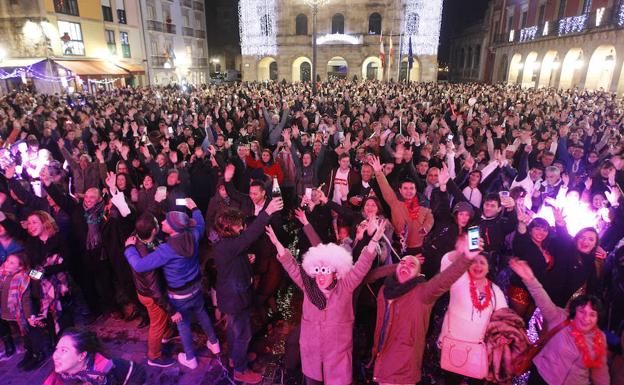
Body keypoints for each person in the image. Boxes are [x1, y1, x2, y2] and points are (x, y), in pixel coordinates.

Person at [265, 218, 386, 385]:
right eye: (318, 271)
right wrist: (278, 245)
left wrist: (373, 241)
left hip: (337, 354)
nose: (321, 276)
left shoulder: (346, 286)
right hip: (312, 353)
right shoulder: (309, 286)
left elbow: (362, 266)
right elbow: (291, 266)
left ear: (335, 272)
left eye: (326, 271)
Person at [370, 235, 481, 385]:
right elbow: (370, 277)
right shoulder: (384, 291)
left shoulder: (422, 292)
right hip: (381, 361)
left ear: (418, 275)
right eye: (402, 263)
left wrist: (467, 257)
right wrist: (396, 266)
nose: (405, 266)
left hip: (402, 370)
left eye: (412, 265)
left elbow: (443, 280)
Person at [124, 199, 220, 370]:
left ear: (174, 229)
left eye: (166, 221)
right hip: (196, 287)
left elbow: (139, 265)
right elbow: (200, 222)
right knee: (201, 313)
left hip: (179, 294)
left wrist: (129, 249)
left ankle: (190, 358)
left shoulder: (166, 250)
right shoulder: (193, 234)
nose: (162, 222)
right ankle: (214, 343)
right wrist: (195, 207)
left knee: (183, 324)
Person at [212, 196, 283, 384]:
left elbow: (236, 254)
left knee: (235, 331)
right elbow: (250, 235)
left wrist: (244, 259)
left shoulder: (226, 244)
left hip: (232, 296)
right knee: (243, 334)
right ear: (229, 228)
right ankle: (240, 370)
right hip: (236, 299)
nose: (242, 228)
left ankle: (236, 359)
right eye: (238, 226)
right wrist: (267, 212)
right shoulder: (230, 245)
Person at [509, 258, 610, 385]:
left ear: (598, 317)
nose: (586, 318)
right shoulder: (560, 318)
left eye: (592, 314)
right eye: (582, 311)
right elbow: (542, 298)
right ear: (575, 311)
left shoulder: (599, 338)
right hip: (541, 378)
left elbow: (600, 375)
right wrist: (529, 279)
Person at [438, 250, 508, 384]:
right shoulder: (459, 279)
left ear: (488, 269)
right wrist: (460, 251)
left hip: (478, 350)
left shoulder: (495, 291)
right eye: (474, 262)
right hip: (452, 344)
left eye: (482, 263)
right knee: (451, 380)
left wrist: (503, 335)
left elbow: (504, 317)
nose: (478, 266)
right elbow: (446, 262)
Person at [126, 213, 177, 368]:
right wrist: (172, 310)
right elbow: (156, 292)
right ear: (154, 231)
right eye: (157, 223)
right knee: (157, 323)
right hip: (150, 295)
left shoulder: (136, 238)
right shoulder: (147, 261)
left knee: (162, 320)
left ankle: (167, 336)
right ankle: (154, 356)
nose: (160, 223)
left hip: (143, 290)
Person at [43, 327, 146, 385]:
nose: (55, 356)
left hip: (134, 377)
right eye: (57, 349)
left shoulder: (100, 375)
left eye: (64, 350)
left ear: (81, 356)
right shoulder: (64, 372)